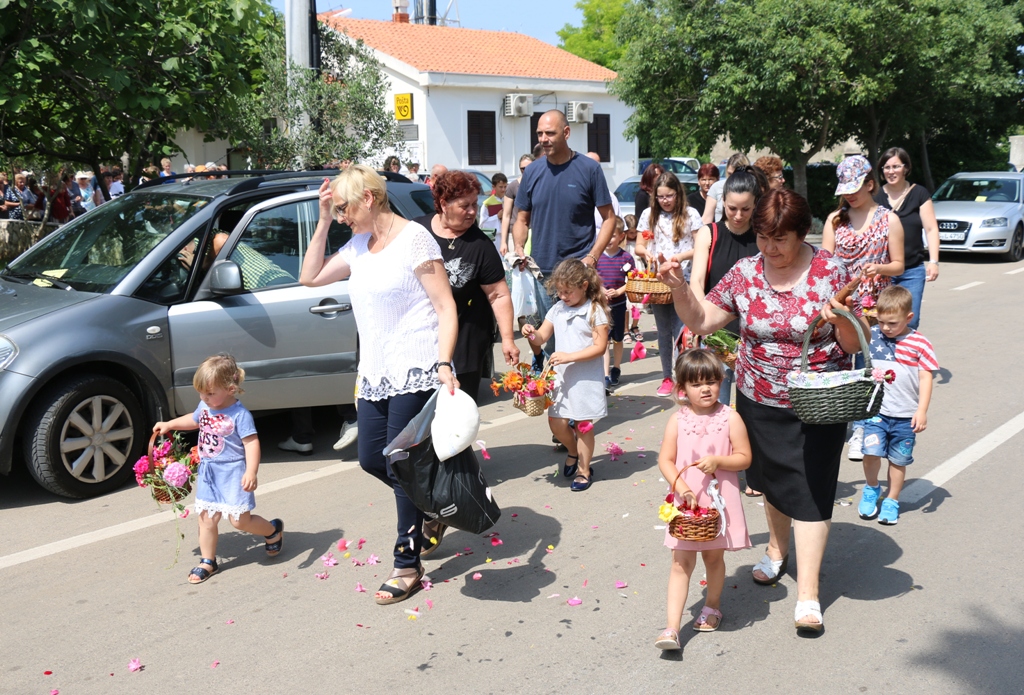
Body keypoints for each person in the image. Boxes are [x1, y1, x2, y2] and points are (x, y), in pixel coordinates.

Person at [659, 188, 869, 633]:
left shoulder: (830, 270)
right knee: (772, 480)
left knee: (812, 490)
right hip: (757, 398)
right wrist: (678, 287)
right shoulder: (745, 272)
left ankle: (809, 594)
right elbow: (701, 320)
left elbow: (853, 344)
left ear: (801, 233)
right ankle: (776, 549)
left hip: (817, 402)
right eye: (763, 238)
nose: (771, 249)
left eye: (781, 240)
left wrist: (843, 320)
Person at [299, 164, 458, 605]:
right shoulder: (356, 246)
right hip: (374, 372)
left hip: (415, 365)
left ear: (369, 199)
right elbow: (309, 277)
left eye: (345, 207)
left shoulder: (416, 239)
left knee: (398, 462)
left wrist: (444, 362)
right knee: (371, 458)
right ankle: (431, 506)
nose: (344, 215)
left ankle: (406, 563)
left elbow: (445, 307)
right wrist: (324, 219)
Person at [153, 354, 284, 585]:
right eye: (201, 393)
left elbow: (251, 443)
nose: (204, 397)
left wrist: (251, 471)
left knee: (239, 521)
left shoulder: (240, 415)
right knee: (206, 518)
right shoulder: (205, 405)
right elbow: (195, 420)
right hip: (209, 472)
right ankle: (208, 561)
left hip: (233, 472)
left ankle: (272, 530)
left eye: (210, 393)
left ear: (231, 388)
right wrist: (170, 424)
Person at [655, 349, 752, 650]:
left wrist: (720, 461)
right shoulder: (677, 420)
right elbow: (666, 460)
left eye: (711, 381)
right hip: (687, 504)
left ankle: (712, 606)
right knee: (680, 563)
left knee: (713, 557)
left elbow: (745, 457)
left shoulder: (731, 417)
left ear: (721, 381)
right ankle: (671, 627)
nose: (706, 388)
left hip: (717, 503)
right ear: (682, 389)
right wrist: (682, 487)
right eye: (697, 384)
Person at [823, 155, 905, 462]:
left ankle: (863, 427)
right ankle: (842, 420)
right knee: (843, 365)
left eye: (855, 187)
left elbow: (899, 264)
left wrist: (879, 269)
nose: (849, 194)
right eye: (844, 188)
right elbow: (825, 263)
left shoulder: (889, 219)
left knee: (869, 367)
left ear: (870, 184)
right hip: (844, 303)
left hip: (874, 305)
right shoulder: (835, 220)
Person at [513, 110, 615, 353]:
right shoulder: (533, 172)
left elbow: (610, 219)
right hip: (544, 271)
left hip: (578, 270)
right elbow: (522, 219)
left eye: (550, 133)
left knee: (584, 338)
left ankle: (586, 387)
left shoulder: (589, 169)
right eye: (540, 134)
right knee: (550, 339)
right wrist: (518, 246)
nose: (543, 139)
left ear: (566, 133)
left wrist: (592, 257)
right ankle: (554, 388)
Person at [414, 169, 519, 402]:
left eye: (474, 204)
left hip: (464, 345)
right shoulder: (416, 233)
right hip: (420, 344)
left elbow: (498, 296)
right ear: (443, 203)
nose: (473, 211)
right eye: (465, 206)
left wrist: (508, 339)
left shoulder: (480, 245)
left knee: (457, 421)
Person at [522, 259, 610, 492]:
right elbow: (541, 339)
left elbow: (600, 347)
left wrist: (569, 356)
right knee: (556, 423)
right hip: (562, 377)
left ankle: (584, 470)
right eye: (559, 292)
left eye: (568, 292)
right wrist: (531, 335)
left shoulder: (594, 311)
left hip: (585, 378)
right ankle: (572, 450)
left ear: (583, 285)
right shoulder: (557, 309)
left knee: (583, 425)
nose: (563, 296)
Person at [856, 286, 938, 526]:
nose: (886, 328)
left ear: (908, 318)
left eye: (892, 323)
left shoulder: (920, 343)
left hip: (905, 416)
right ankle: (871, 488)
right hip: (877, 413)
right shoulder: (873, 336)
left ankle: (891, 500)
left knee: (898, 460)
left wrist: (921, 411)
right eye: (881, 322)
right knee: (870, 452)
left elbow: (926, 377)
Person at [634, 171, 702, 397]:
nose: (665, 200)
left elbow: (700, 247)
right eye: (660, 196)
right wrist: (648, 255)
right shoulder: (648, 214)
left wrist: (680, 257)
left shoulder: (691, 214)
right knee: (664, 332)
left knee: (682, 331)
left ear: (678, 194)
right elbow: (639, 246)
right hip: (658, 281)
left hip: (684, 279)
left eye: (669, 196)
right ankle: (666, 377)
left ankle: (683, 379)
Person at [874, 147, 940, 328]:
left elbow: (931, 228)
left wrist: (934, 261)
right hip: (883, 271)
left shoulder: (919, 194)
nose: (891, 171)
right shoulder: (875, 196)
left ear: (906, 168)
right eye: (886, 167)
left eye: (896, 166)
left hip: (911, 271)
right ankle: (886, 356)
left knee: (911, 320)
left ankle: (905, 355)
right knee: (880, 321)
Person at [596, 218, 632, 389]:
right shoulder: (597, 257)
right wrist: (600, 289)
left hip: (618, 305)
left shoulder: (626, 257)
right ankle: (604, 374)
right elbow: (591, 278)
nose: (609, 239)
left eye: (613, 235)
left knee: (617, 339)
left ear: (621, 237)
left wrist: (619, 291)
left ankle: (616, 368)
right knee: (604, 339)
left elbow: (633, 281)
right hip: (601, 305)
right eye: (606, 235)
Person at [498, 154, 534, 256]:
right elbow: (506, 215)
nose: (526, 171)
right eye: (523, 169)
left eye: (529, 167)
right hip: (514, 233)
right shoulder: (513, 187)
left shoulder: (539, 184)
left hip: (534, 232)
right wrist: (503, 242)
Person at [703, 153, 750, 224]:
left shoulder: (753, 188)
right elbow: (706, 219)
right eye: (730, 174)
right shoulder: (717, 187)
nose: (732, 178)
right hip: (721, 233)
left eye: (735, 174)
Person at [622, 213, 644, 343]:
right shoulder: (623, 245)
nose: (633, 235)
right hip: (627, 275)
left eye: (635, 232)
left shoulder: (639, 242)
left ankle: (634, 325)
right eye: (630, 232)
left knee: (637, 304)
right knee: (626, 304)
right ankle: (625, 329)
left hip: (639, 274)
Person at [479, 172, 507, 244]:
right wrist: (497, 216)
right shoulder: (487, 204)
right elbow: (483, 224)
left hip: (506, 235)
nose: (503, 189)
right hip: (495, 237)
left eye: (505, 186)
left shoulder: (508, 200)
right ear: (494, 187)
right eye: (501, 187)